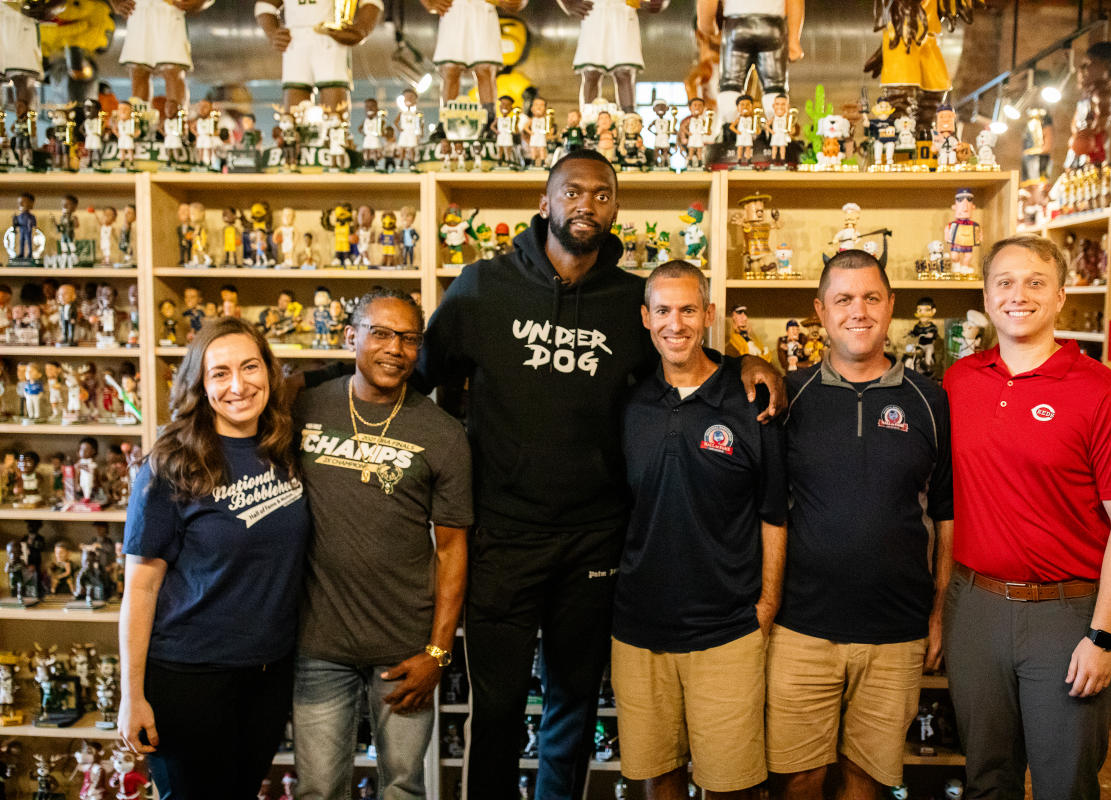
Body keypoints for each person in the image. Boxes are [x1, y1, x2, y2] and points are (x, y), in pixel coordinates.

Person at [413, 148, 783, 800]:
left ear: (615, 208)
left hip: (595, 540)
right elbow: (415, 381)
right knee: (496, 711)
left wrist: (750, 367)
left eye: (602, 195)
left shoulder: (628, 300)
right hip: (502, 537)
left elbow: (684, 355)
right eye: (573, 192)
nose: (587, 204)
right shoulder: (481, 287)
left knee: (572, 709)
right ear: (545, 202)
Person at [942, 235, 1111, 800]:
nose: (1019, 295)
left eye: (1035, 282)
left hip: (1066, 616)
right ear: (986, 299)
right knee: (987, 778)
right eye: (1004, 283)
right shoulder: (959, 381)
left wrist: (1103, 636)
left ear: (1061, 295)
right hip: (974, 609)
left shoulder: (1103, 393)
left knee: (1065, 784)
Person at [767, 250, 953, 800]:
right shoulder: (787, 395)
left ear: (891, 306)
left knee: (866, 781)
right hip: (801, 626)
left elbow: (946, 515)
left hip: (896, 630)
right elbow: (768, 512)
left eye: (872, 297)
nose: (859, 311)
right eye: (843, 299)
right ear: (820, 311)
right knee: (796, 780)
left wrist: (940, 611)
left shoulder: (930, 399)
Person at [612, 261, 786, 798]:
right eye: (663, 310)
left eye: (688, 309)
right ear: (645, 317)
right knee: (657, 778)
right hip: (639, 631)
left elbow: (774, 512)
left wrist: (766, 607)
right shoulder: (630, 402)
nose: (675, 323)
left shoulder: (751, 399)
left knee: (731, 787)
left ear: (709, 314)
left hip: (726, 630)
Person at [291, 288, 472, 800]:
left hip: (405, 648)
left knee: (403, 788)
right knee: (319, 791)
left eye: (410, 339)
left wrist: (437, 652)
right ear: (351, 337)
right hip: (319, 647)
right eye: (382, 333)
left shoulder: (442, 433)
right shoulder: (305, 408)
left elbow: (452, 549)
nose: (396, 349)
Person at [118, 317, 309, 799]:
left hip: (267, 675)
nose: (239, 385)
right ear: (200, 385)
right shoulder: (171, 463)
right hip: (190, 677)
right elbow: (140, 588)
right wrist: (131, 696)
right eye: (220, 373)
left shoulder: (283, 447)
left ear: (270, 371)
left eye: (250, 367)